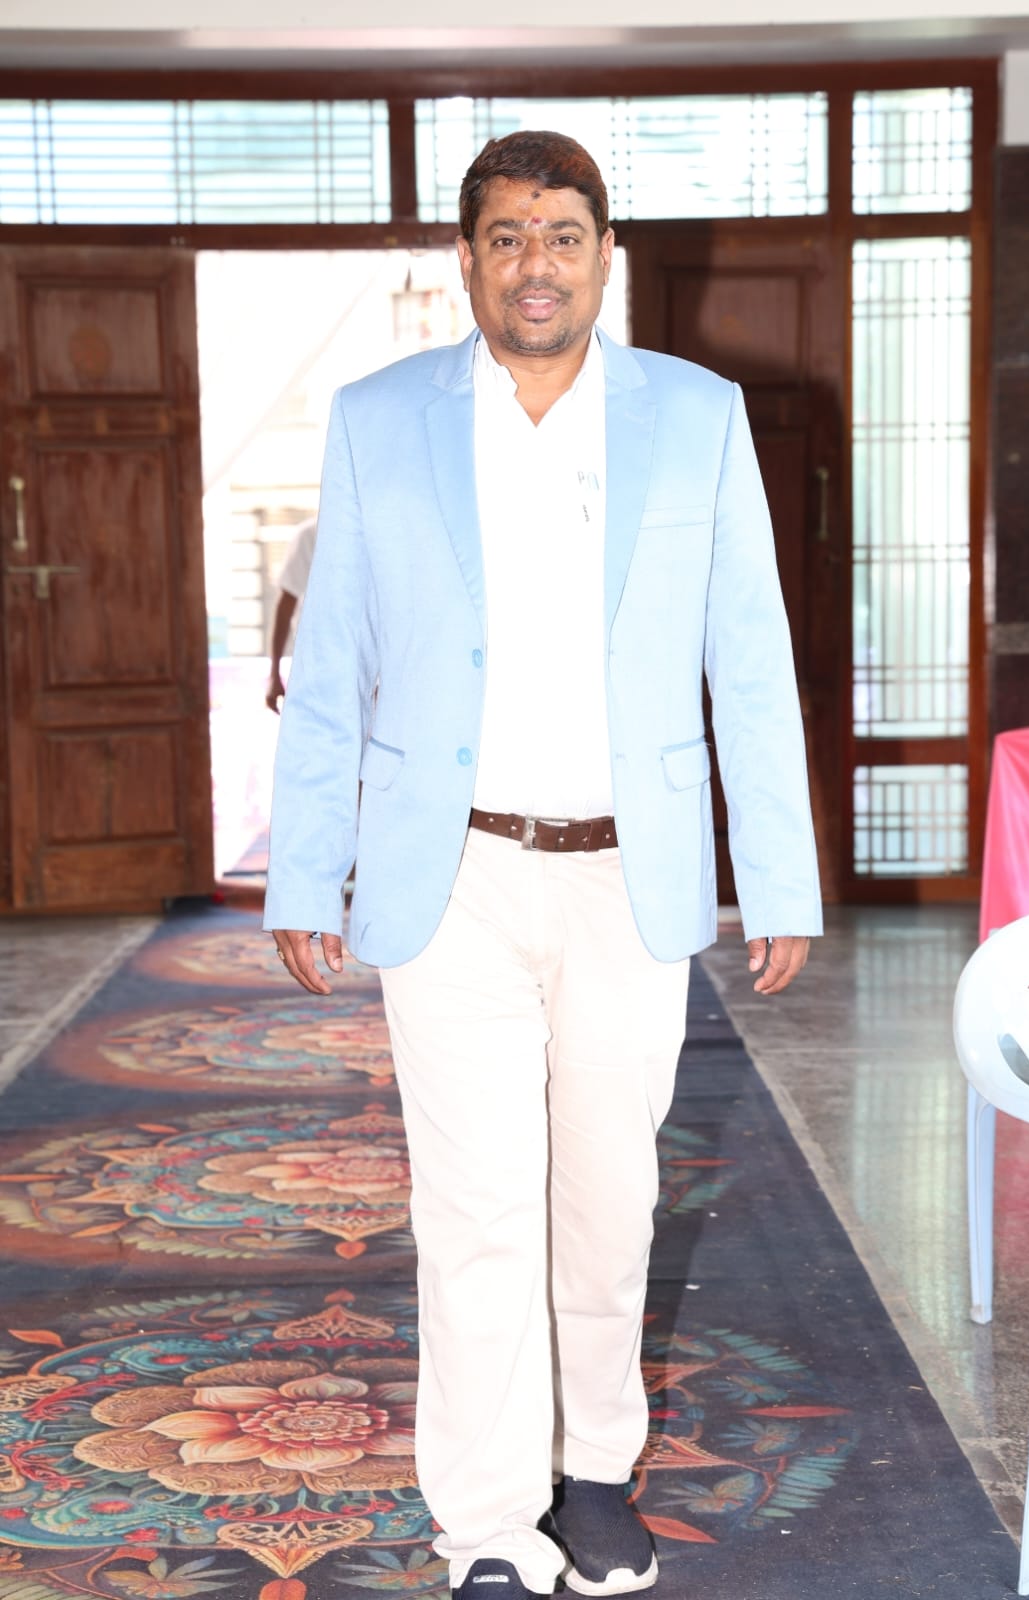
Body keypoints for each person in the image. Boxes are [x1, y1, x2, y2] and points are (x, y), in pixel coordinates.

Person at [265, 130, 821, 1600]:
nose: (536, 264)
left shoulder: (694, 416)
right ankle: (490, 1523)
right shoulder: (379, 419)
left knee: (608, 1201)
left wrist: (778, 874)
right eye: (506, 235)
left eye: (563, 235)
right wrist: (305, 870)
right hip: (446, 874)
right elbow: (334, 661)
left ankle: (594, 1477)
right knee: (477, 1210)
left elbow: (749, 656)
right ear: (467, 258)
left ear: (604, 256)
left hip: (625, 877)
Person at [265, 515, 317, 712]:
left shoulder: (375, 532)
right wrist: (274, 674)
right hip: (315, 664)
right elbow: (286, 605)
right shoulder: (310, 534)